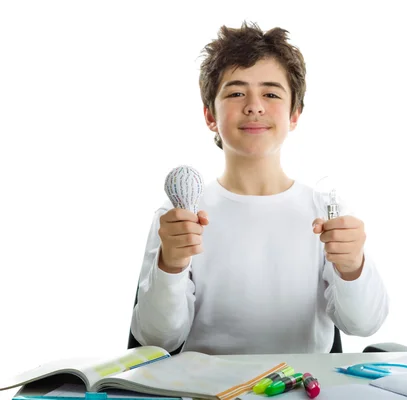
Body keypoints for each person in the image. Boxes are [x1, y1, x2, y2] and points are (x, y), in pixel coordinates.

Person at [130, 21, 389, 355]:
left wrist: (353, 266)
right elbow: (156, 340)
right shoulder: (178, 218)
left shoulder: (327, 212)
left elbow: (364, 323)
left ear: (295, 114)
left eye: (271, 93)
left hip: (303, 387)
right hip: (208, 390)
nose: (254, 106)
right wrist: (171, 265)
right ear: (210, 115)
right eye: (236, 93)